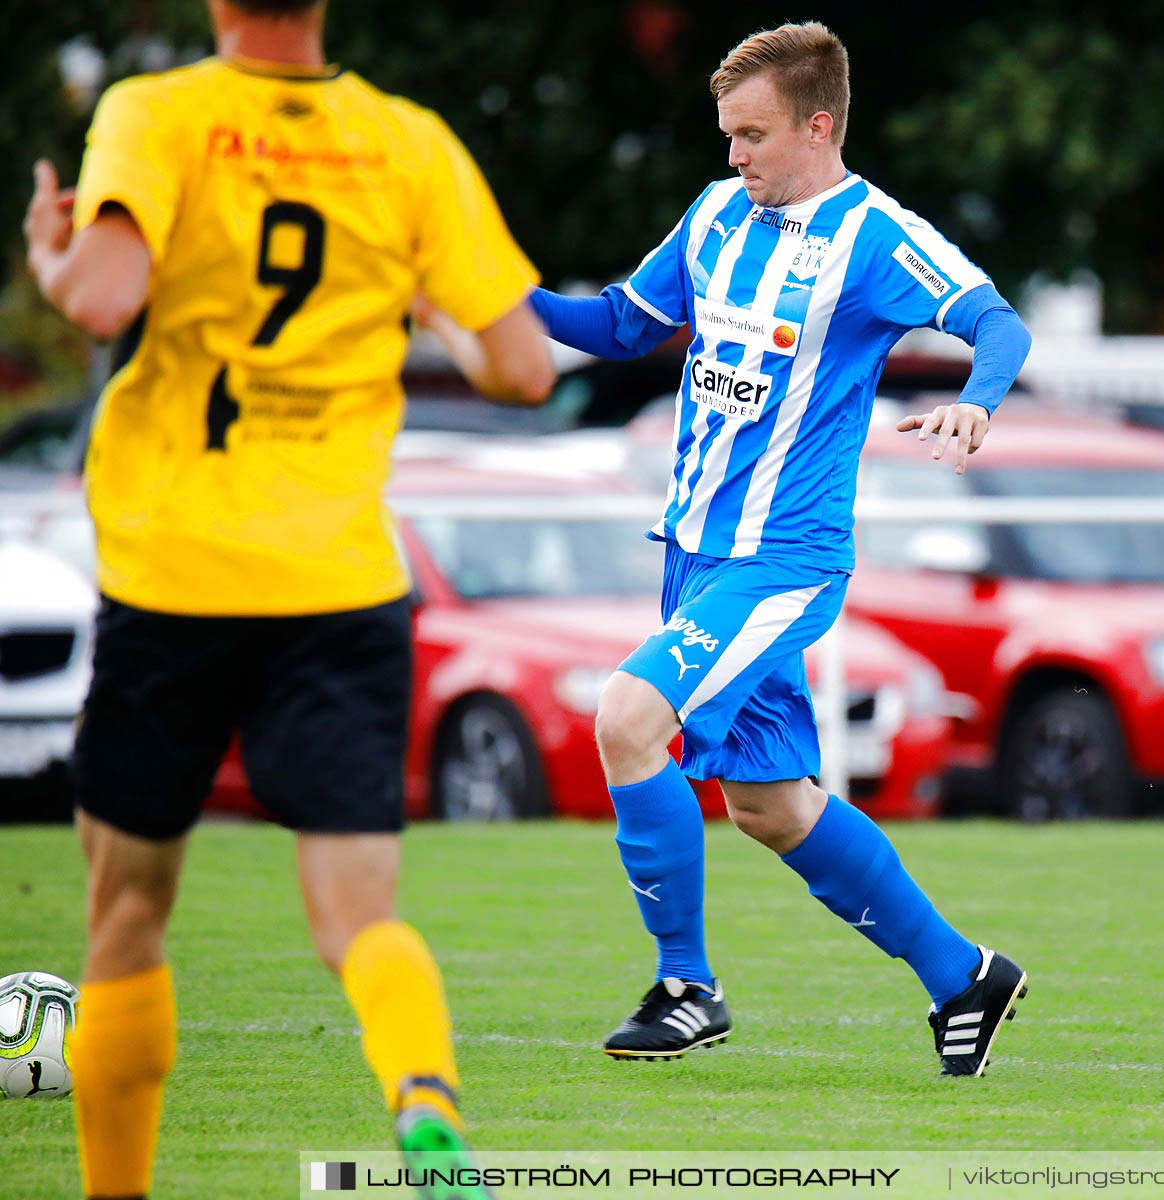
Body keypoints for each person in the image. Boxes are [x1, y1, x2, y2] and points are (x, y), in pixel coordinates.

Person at [21, 1, 552, 1195]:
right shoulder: (407, 141)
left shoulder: (160, 113)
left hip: (177, 575)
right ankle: (423, 1101)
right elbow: (520, 365)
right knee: (358, 919)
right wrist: (426, 311)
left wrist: (50, 252)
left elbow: (103, 296)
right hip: (340, 584)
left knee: (125, 917)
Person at [530, 22, 1033, 1077]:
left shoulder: (874, 237)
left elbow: (999, 325)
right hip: (697, 552)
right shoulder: (718, 211)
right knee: (771, 805)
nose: (733, 157)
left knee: (627, 717)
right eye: (726, 135)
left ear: (818, 125)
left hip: (784, 556)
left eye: (752, 135)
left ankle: (686, 987)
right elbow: (624, 325)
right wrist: (492, 299)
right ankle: (962, 975)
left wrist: (977, 405)